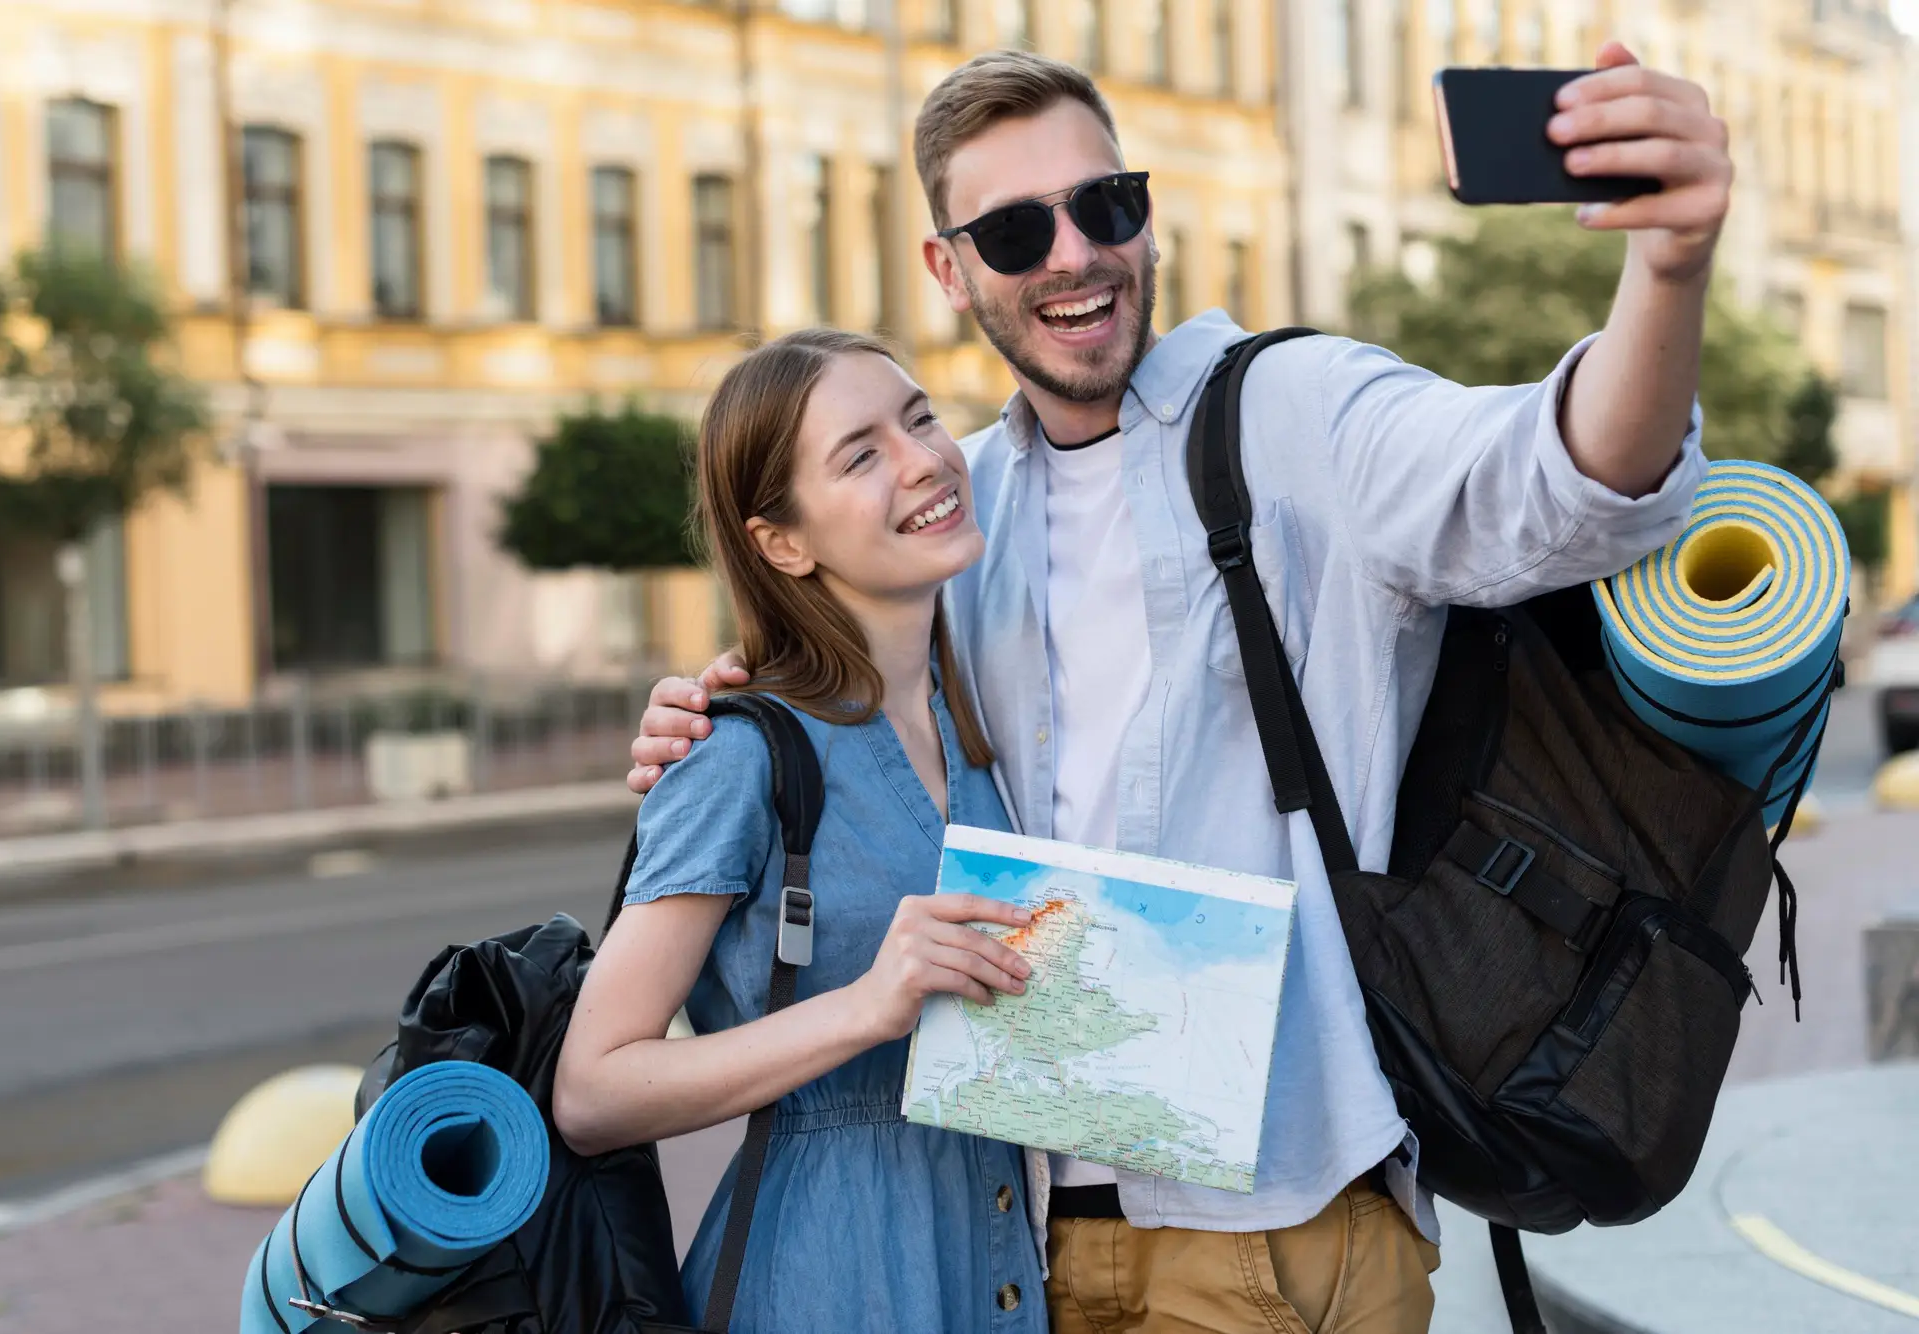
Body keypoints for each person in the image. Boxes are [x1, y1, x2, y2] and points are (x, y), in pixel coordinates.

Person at [629, 41, 1733, 1334]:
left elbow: (1558, 482)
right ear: (949, 265)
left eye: (1106, 205)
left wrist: (1669, 266)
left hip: (1300, 1216)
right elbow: (839, 707)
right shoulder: (956, 513)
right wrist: (709, 722)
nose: (1073, 253)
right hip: (1064, 1231)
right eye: (1014, 226)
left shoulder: (1291, 412)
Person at [551, 328, 1049, 1333]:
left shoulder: (983, 723)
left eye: (917, 418)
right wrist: (869, 1005)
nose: (921, 459)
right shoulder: (736, 754)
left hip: (995, 1264)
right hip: (824, 1276)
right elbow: (591, 1086)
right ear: (783, 540)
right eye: (860, 454)